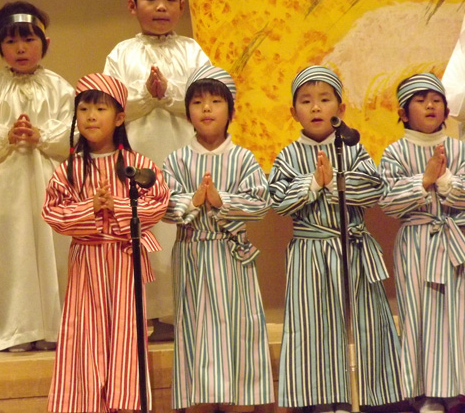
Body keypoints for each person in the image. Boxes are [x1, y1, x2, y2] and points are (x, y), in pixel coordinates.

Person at [268, 66, 402, 412]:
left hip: (351, 249)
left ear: (340, 109)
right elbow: (278, 200)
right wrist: (314, 182)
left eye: (324, 99)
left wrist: (335, 182)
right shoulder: (288, 156)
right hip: (310, 254)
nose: (316, 107)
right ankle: (323, 398)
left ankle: (359, 395)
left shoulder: (352, 149)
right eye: (306, 101)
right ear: (293, 111)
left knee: (360, 323)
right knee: (315, 327)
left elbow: (373, 189)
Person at [42, 73, 170, 412]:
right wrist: (90, 207)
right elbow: (53, 212)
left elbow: (158, 202)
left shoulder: (138, 165)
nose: (91, 116)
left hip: (125, 263)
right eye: (84, 109)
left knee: (126, 332)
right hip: (87, 263)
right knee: (86, 334)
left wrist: (119, 207)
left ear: (119, 117)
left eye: (101, 109)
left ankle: (125, 404)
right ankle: (85, 404)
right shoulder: (69, 169)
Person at [104, 0, 211, 340]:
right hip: (139, 158)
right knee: (144, 230)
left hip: (185, 156)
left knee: (182, 227)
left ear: (182, 5)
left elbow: (208, 101)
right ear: (133, 6)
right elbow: (110, 106)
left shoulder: (192, 50)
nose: (161, 7)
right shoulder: (122, 53)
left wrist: (168, 93)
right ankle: (144, 314)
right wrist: (145, 95)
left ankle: (185, 314)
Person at [0, 1, 74, 352]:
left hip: (50, 179)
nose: (21, 48)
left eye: (28, 39)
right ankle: (16, 329)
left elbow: (76, 132)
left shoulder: (59, 87)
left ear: (45, 43)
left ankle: (54, 327)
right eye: (11, 41)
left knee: (53, 248)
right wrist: (4, 136)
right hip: (6, 183)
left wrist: (43, 136)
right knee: (10, 250)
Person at [162, 65, 273, 412]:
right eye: (197, 102)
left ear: (231, 111)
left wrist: (221, 200)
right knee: (196, 329)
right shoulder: (177, 160)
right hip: (192, 254)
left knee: (237, 328)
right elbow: (162, 205)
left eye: (215, 101)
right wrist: (193, 201)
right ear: (187, 113)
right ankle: (199, 400)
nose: (206, 108)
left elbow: (260, 203)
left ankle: (240, 400)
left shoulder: (243, 159)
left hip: (231, 256)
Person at [379, 73, 465, 413]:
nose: (430, 105)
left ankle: (457, 390)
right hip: (417, 244)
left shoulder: (459, 148)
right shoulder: (395, 152)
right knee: (419, 316)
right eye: (420, 99)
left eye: (436, 99)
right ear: (403, 112)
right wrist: (424, 180)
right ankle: (427, 393)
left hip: (456, 241)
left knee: (458, 316)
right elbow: (388, 202)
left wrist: (445, 180)